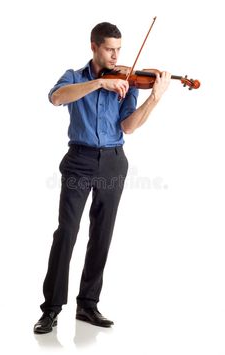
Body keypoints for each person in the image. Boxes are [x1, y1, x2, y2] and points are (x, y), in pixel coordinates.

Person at [33, 22, 171, 334]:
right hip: (79, 160)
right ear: (94, 46)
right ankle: (51, 309)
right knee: (66, 232)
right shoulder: (75, 77)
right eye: (110, 49)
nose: (115, 56)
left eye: (119, 49)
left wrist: (155, 98)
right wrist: (98, 85)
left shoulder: (128, 81)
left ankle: (88, 305)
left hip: (112, 161)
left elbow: (129, 127)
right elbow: (56, 99)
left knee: (102, 233)